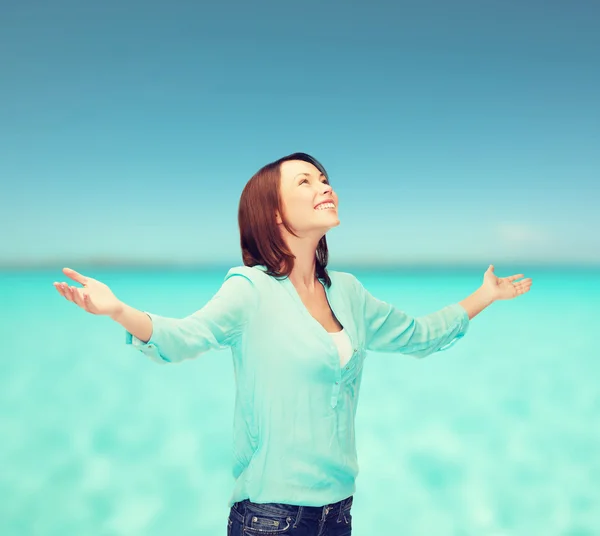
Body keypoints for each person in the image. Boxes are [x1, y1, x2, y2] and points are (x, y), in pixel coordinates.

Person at [53, 152, 532, 535]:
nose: (325, 185)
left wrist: (484, 296)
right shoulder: (249, 289)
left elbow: (419, 336)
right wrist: (117, 309)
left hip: (339, 514)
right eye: (305, 181)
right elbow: (184, 338)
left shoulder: (347, 292)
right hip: (270, 519)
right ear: (275, 212)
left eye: (324, 178)